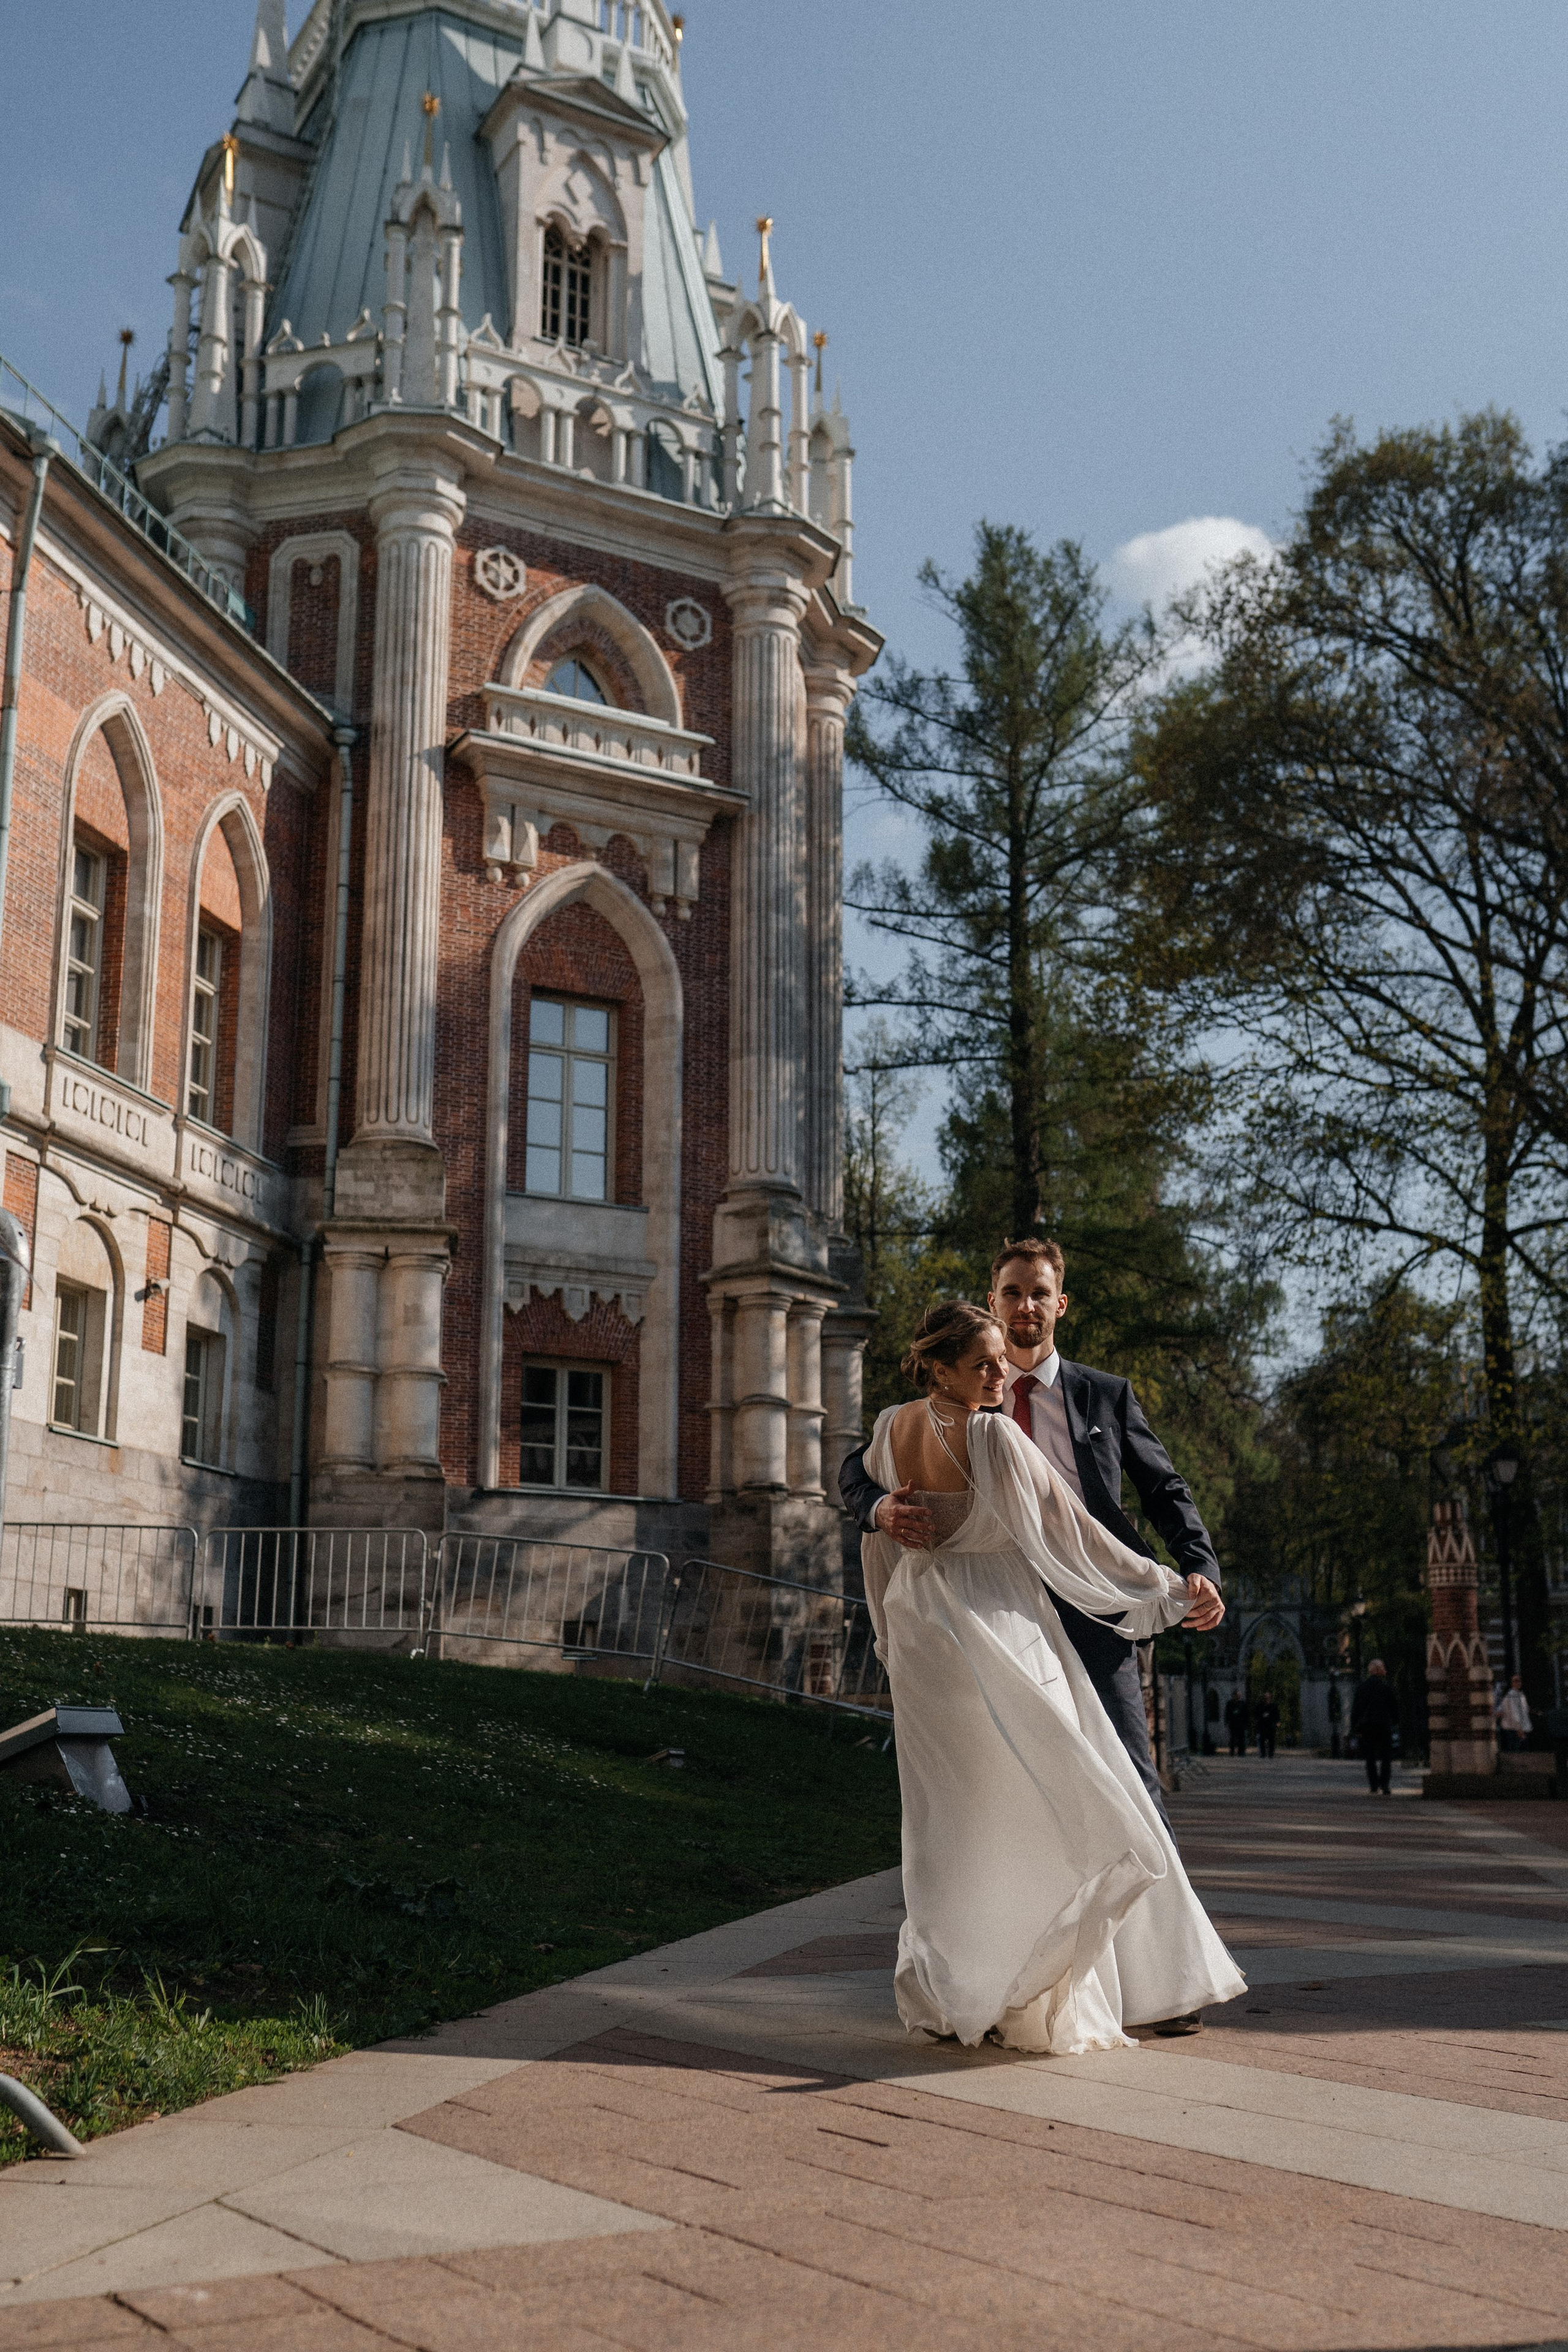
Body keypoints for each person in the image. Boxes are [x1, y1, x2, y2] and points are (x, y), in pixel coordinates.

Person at [859, 1300, 1245, 2056]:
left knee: (957, 1818)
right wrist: (1169, 1589)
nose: (999, 1376)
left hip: (921, 1628)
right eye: (982, 1365)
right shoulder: (993, 1434)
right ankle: (1061, 1977)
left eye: (1001, 1361)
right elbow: (1074, 1538)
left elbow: (878, 1549)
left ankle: (967, 1985)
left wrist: (884, 1634)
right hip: (1000, 1626)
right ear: (939, 1369)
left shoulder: (888, 1428)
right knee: (1070, 1795)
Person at [841, 1238, 1224, 1833]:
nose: (1026, 1305)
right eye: (1012, 1293)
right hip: (996, 1612)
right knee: (1011, 1786)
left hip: (1092, 1606)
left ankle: (1155, 1892)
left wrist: (1199, 1567)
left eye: (1039, 1293)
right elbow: (855, 1473)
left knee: (1129, 1773)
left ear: (1060, 1303)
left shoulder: (1105, 1395)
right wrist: (880, 1509)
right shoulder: (963, 1397)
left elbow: (1163, 1489)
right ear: (992, 1303)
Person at [1351, 1659, 1400, 1795]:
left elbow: (1356, 1709)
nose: (1385, 1670)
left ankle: (1373, 1785)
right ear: (1378, 1670)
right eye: (1383, 1667)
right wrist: (1395, 1722)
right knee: (1386, 1756)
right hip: (1383, 1725)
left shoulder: (1362, 1687)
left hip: (1367, 1726)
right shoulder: (1386, 1687)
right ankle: (1385, 1784)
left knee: (1370, 1757)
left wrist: (1356, 1728)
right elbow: (1394, 1707)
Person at [1496, 1674, 1532, 1753]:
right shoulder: (1511, 1696)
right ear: (1512, 1683)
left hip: (1521, 1728)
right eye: (1515, 1681)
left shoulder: (1521, 1695)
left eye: (1519, 1681)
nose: (1518, 1683)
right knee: (1516, 1752)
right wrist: (1518, 1729)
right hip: (1514, 1729)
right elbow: (1514, 1713)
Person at [1253, 1691, 1280, 1760]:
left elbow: (1277, 1714)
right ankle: (1263, 1753)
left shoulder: (1273, 1705)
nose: (1266, 1699)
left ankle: (1271, 1753)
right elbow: (1256, 1714)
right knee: (1262, 1739)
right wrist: (1257, 1721)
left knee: (1271, 1740)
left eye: (1267, 1698)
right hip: (1262, 1725)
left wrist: (1278, 1722)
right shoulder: (1260, 1706)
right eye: (1265, 1698)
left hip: (1271, 1725)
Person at [1224, 1691, 1249, 1756]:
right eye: (1236, 1695)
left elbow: (1246, 1714)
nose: (1237, 1697)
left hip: (1241, 1724)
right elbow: (1227, 1713)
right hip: (1233, 1724)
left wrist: (1246, 1723)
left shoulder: (1242, 1703)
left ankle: (1241, 1752)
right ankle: (1232, 1751)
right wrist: (1227, 1721)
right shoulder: (1230, 1703)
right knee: (1233, 1738)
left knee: (1241, 1738)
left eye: (1238, 1696)